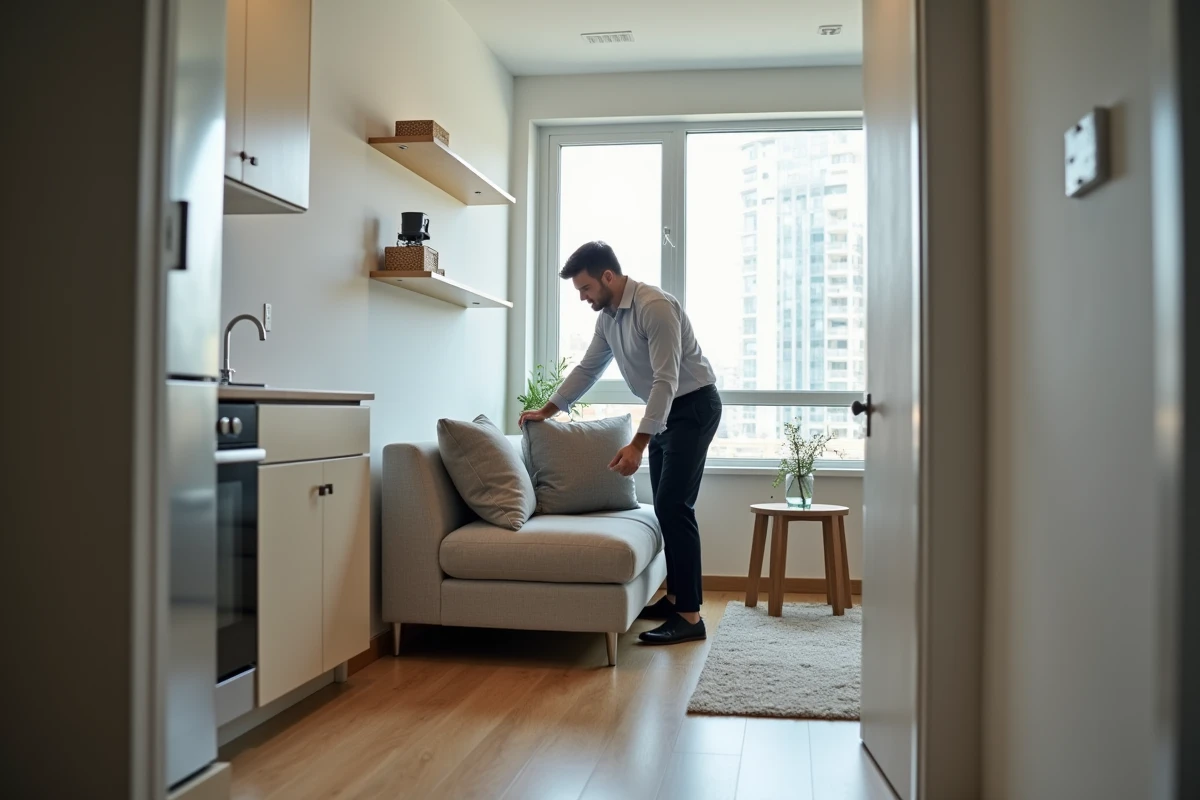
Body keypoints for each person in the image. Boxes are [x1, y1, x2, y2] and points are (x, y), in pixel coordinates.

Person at [519, 241, 722, 645]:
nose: (583, 297)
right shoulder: (608, 318)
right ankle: (677, 599)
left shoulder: (655, 307)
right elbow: (588, 368)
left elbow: (667, 379)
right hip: (665, 410)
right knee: (668, 506)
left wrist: (638, 444)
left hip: (693, 407)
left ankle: (691, 618)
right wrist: (548, 409)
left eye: (586, 288)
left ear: (607, 276)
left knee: (673, 505)